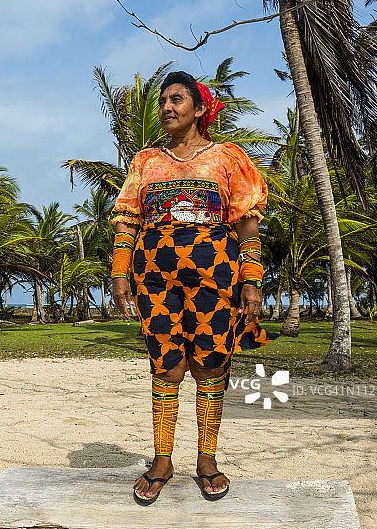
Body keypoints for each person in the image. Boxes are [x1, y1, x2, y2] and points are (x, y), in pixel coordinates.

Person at [110, 71, 278, 504]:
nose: (166, 107)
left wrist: (252, 282)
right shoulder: (146, 161)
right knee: (165, 367)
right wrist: (118, 272)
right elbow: (128, 217)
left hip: (215, 279)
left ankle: (206, 461)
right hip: (156, 283)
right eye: (163, 101)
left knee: (209, 366)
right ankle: (162, 461)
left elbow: (246, 220)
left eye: (177, 100)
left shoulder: (226, 157)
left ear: (200, 109)